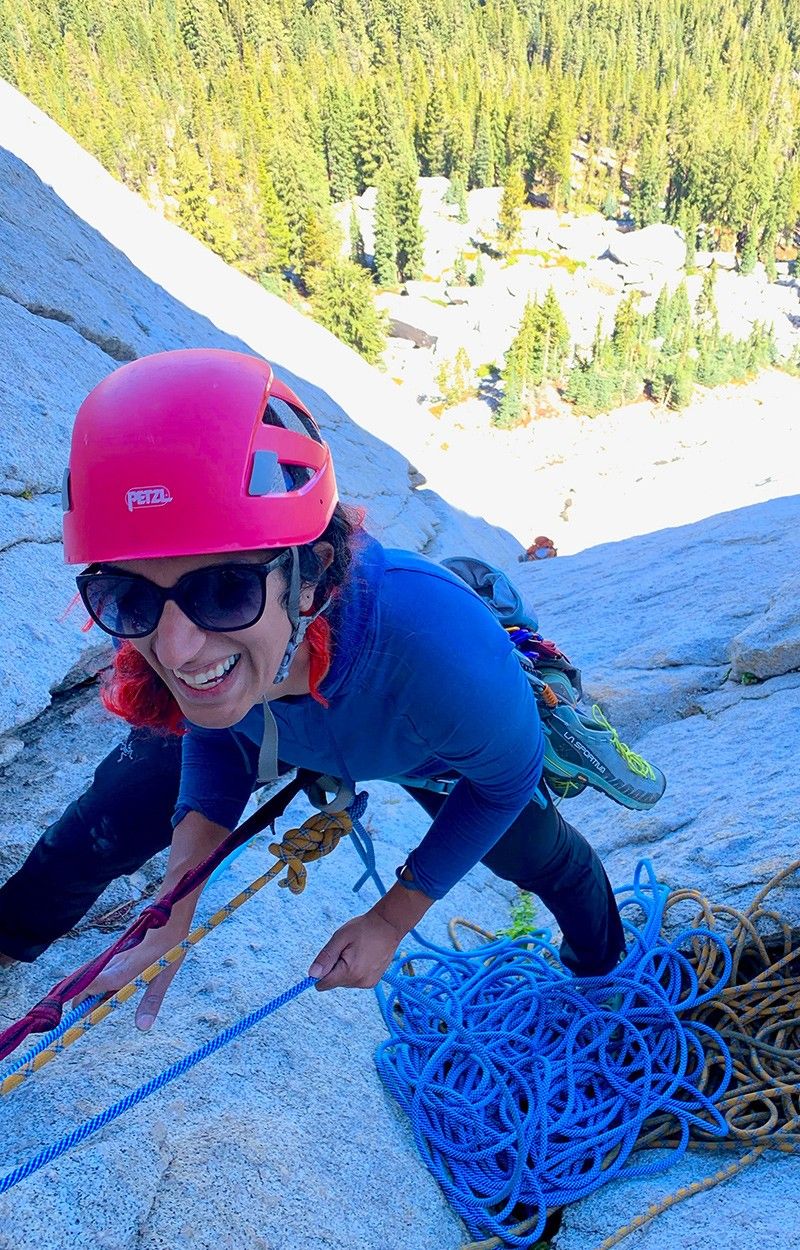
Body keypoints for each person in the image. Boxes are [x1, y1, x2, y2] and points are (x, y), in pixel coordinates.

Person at [0, 348, 625, 1028]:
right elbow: (214, 726)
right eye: (125, 597)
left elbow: (507, 778)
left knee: (543, 858)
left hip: (424, 744)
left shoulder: (433, 650)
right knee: (111, 814)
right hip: (281, 695)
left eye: (226, 586)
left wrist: (392, 917)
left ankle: (602, 974)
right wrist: (170, 912)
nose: (175, 649)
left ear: (312, 572)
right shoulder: (197, 630)